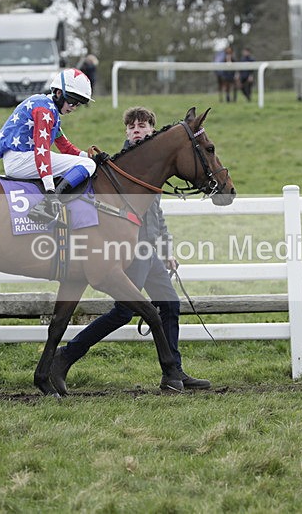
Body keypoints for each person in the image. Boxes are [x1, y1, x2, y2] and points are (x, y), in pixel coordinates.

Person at [51, 106, 211, 393]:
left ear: (153, 130)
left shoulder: (157, 166)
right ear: (126, 132)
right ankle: (66, 355)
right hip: (129, 250)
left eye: (143, 125)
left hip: (150, 251)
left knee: (170, 305)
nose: (136, 129)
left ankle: (174, 373)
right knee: (124, 311)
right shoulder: (120, 167)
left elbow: (156, 216)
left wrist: (165, 249)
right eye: (132, 126)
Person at [0, 68, 95, 222]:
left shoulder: (47, 107)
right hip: (22, 160)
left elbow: (65, 146)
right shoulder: (44, 111)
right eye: (73, 101)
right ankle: (48, 205)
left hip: (20, 158)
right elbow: (42, 150)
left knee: (88, 161)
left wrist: (90, 156)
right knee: (88, 166)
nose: (74, 107)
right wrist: (50, 189)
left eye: (78, 104)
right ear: (59, 93)